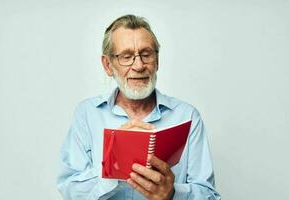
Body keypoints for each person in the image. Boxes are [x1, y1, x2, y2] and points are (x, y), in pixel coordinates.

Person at [57, 14, 221, 200]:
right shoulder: (87, 113)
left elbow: (210, 196)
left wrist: (173, 194)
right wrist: (113, 168)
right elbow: (69, 188)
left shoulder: (187, 115)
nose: (139, 65)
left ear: (157, 61)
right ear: (108, 65)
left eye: (146, 54)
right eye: (126, 57)